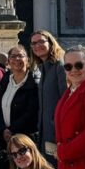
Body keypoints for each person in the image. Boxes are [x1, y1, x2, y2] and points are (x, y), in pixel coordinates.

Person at [0, 44, 40, 145]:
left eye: (20, 56)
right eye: (13, 56)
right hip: (5, 137)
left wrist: (11, 130)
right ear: (8, 61)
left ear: (27, 60)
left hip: (25, 137)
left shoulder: (34, 83)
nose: (17, 59)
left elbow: (31, 112)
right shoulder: (5, 80)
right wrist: (2, 129)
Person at [30, 30, 66, 159]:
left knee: (56, 165)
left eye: (41, 41)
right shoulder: (42, 67)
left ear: (50, 43)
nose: (37, 46)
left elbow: (66, 99)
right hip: (46, 130)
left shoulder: (60, 66)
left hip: (56, 131)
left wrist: (58, 128)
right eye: (33, 43)